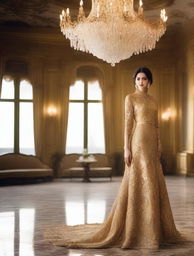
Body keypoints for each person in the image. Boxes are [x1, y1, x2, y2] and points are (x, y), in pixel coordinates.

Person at [45, 67, 181, 249]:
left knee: (153, 179)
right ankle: (134, 227)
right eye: (138, 79)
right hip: (138, 140)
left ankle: (153, 227)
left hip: (151, 142)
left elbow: (156, 126)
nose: (141, 82)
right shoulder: (130, 98)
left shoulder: (154, 100)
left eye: (145, 79)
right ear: (135, 81)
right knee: (139, 179)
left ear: (150, 81)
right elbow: (127, 124)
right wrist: (126, 147)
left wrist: (159, 143)